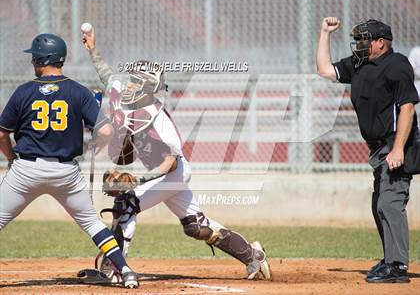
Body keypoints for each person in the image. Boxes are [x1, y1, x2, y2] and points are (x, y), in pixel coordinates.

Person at [80, 28, 272, 283]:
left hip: (171, 172)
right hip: (161, 175)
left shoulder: (158, 118)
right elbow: (106, 75)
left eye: (137, 82)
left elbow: (170, 163)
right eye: (132, 79)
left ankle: (112, 270)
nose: (130, 84)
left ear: (149, 88)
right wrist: (93, 49)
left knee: (126, 205)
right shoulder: (121, 93)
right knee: (196, 226)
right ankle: (253, 255)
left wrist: (137, 179)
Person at [0, 33, 138, 289]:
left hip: (26, 170)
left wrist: (10, 159)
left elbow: (1, 133)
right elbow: (106, 131)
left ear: (41, 59)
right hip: (65, 172)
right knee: (92, 224)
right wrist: (96, 144)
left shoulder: (23, 91)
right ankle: (126, 271)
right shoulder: (78, 91)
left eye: (34, 56)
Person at [316, 18, 419, 283]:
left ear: (381, 43)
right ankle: (389, 259)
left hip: (397, 145)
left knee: (390, 203)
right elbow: (325, 70)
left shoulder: (397, 65)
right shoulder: (360, 64)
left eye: (365, 40)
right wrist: (325, 33)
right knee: (378, 205)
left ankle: (397, 267)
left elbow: (407, 107)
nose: (359, 45)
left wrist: (397, 150)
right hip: (377, 149)